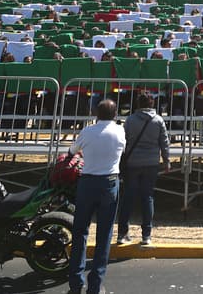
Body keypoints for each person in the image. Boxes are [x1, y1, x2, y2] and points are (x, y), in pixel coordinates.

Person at [67, 99, 125, 294]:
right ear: (115, 114)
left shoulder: (88, 131)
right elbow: (123, 149)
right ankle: (96, 283)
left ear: (96, 113)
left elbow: (72, 151)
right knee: (104, 235)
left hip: (88, 182)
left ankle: (76, 282)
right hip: (109, 182)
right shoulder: (120, 131)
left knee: (80, 231)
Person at [116, 93, 172, 247]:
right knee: (147, 197)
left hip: (133, 162)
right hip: (151, 162)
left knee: (128, 196)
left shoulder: (130, 120)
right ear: (152, 104)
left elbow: (123, 140)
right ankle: (146, 235)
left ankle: (122, 233)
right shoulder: (158, 120)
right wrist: (167, 160)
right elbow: (164, 142)